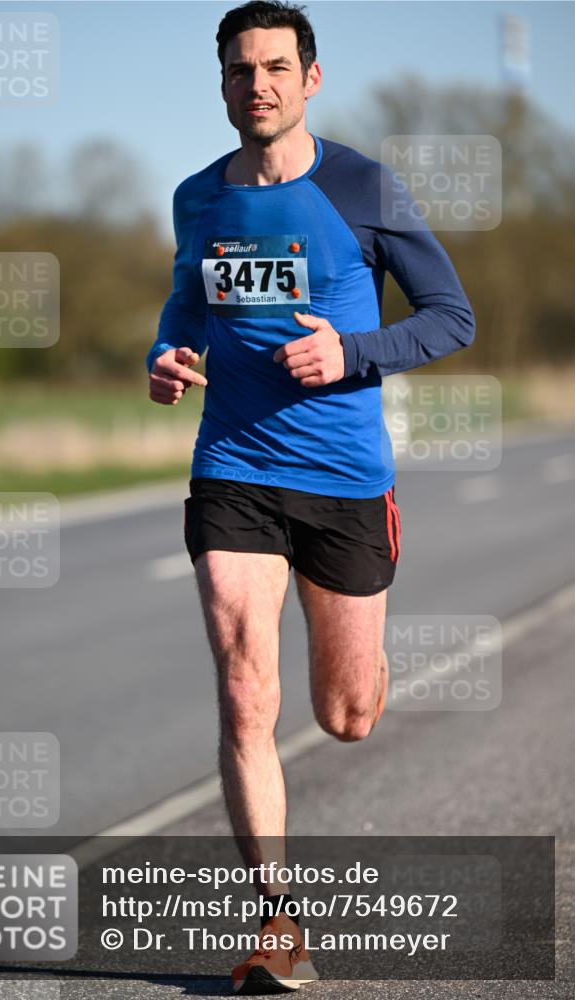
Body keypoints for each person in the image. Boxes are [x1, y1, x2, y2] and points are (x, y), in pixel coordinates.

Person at [146, 1, 475, 992]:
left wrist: (353, 352)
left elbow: (450, 316)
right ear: (222, 83)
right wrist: (168, 351)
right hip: (233, 467)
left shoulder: (362, 187)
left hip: (342, 480)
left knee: (346, 714)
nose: (258, 85)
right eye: (240, 70)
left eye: (276, 67)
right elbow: (187, 299)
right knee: (246, 689)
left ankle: (363, 659)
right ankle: (277, 925)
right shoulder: (198, 198)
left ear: (311, 78)